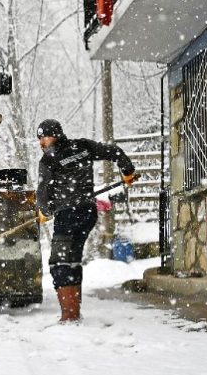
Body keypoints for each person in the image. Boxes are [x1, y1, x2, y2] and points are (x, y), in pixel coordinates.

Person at [36, 119, 135, 323]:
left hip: (68, 215)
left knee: (59, 263)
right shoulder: (83, 146)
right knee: (72, 259)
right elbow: (114, 152)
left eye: (42, 138)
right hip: (87, 212)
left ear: (52, 136)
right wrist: (128, 172)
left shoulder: (48, 159)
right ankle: (74, 313)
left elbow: (43, 190)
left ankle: (68, 316)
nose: (40, 143)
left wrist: (44, 211)